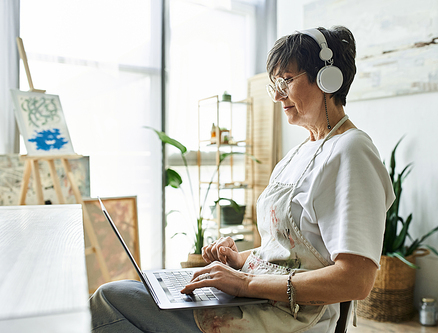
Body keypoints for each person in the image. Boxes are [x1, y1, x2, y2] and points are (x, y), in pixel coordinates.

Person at [90, 26, 395, 333]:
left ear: (328, 78)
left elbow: (356, 280)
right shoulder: (299, 153)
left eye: (286, 81)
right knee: (129, 295)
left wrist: (247, 282)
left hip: (287, 317)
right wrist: (236, 260)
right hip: (257, 300)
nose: (277, 95)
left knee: (109, 301)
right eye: (275, 84)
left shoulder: (352, 150)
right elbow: (285, 253)